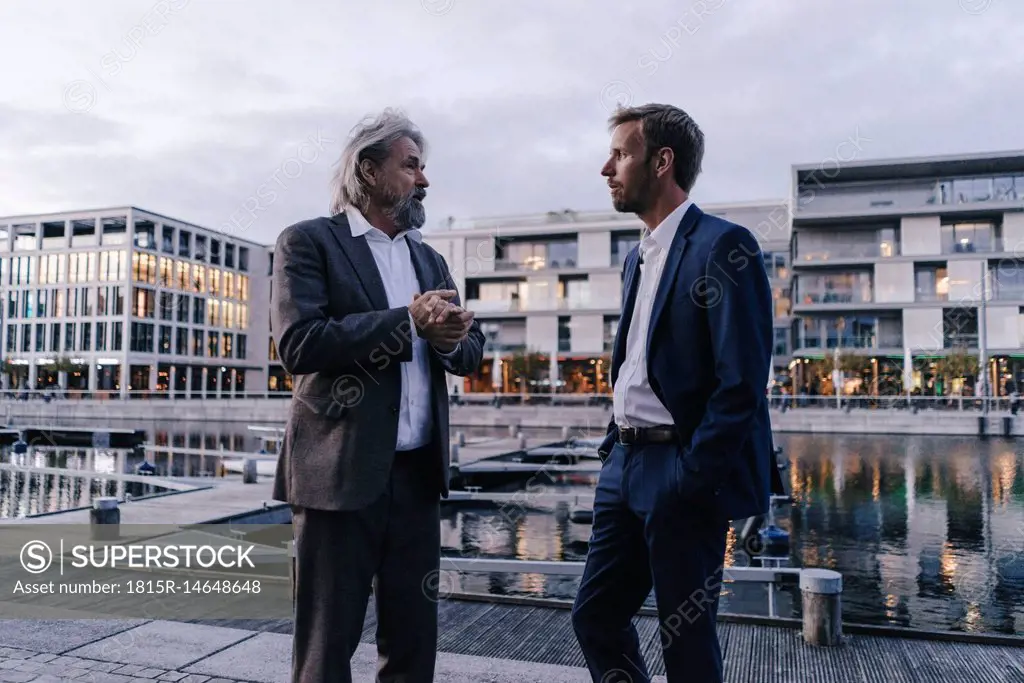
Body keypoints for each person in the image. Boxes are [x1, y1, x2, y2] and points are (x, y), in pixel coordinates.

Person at [270, 108, 485, 683]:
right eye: (411, 165)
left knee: (414, 641)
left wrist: (449, 336)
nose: (424, 179)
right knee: (326, 645)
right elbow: (299, 345)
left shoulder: (429, 258)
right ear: (368, 170)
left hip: (417, 478)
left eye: (423, 167)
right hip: (336, 477)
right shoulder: (309, 241)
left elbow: (469, 355)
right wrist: (407, 323)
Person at [571, 103, 778, 683]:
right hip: (625, 463)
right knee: (595, 616)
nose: (606, 168)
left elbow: (742, 381)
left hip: (679, 466)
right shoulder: (638, 255)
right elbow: (638, 360)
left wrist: (693, 475)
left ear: (662, 162)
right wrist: (615, 447)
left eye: (620, 154)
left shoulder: (724, 245)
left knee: (684, 638)